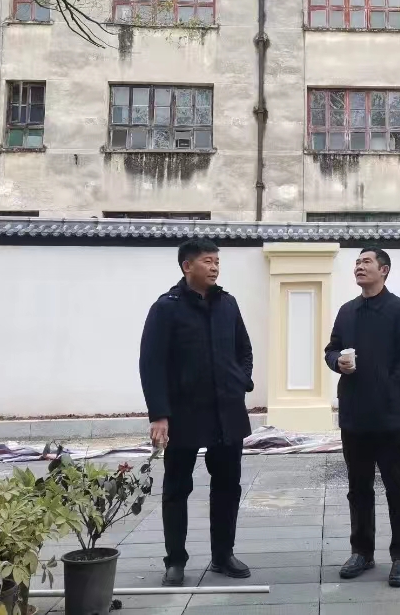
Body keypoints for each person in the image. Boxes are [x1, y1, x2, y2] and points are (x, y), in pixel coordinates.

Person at [139, 239, 255, 587]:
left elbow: (244, 350)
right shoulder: (166, 308)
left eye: (217, 261)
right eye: (208, 261)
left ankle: (223, 555)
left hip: (227, 411)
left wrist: (240, 380)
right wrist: (159, 415)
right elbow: (151, 364)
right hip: (184, 413)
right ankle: (175, 560)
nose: (215, 267)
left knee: (227, 486)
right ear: (187, 266)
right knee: (177, 488)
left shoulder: (228, 304)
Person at [324, 247, 400, 588]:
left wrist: (391, 386)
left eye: (366, 262)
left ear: (384, 270)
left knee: (397, 487)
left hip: (388, 415)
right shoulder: (347, 311)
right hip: (354, 414)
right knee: (358, 488)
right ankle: (362, 551)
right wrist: (337, 361)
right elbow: (331, 348)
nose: (359, 267)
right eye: (357, 262)